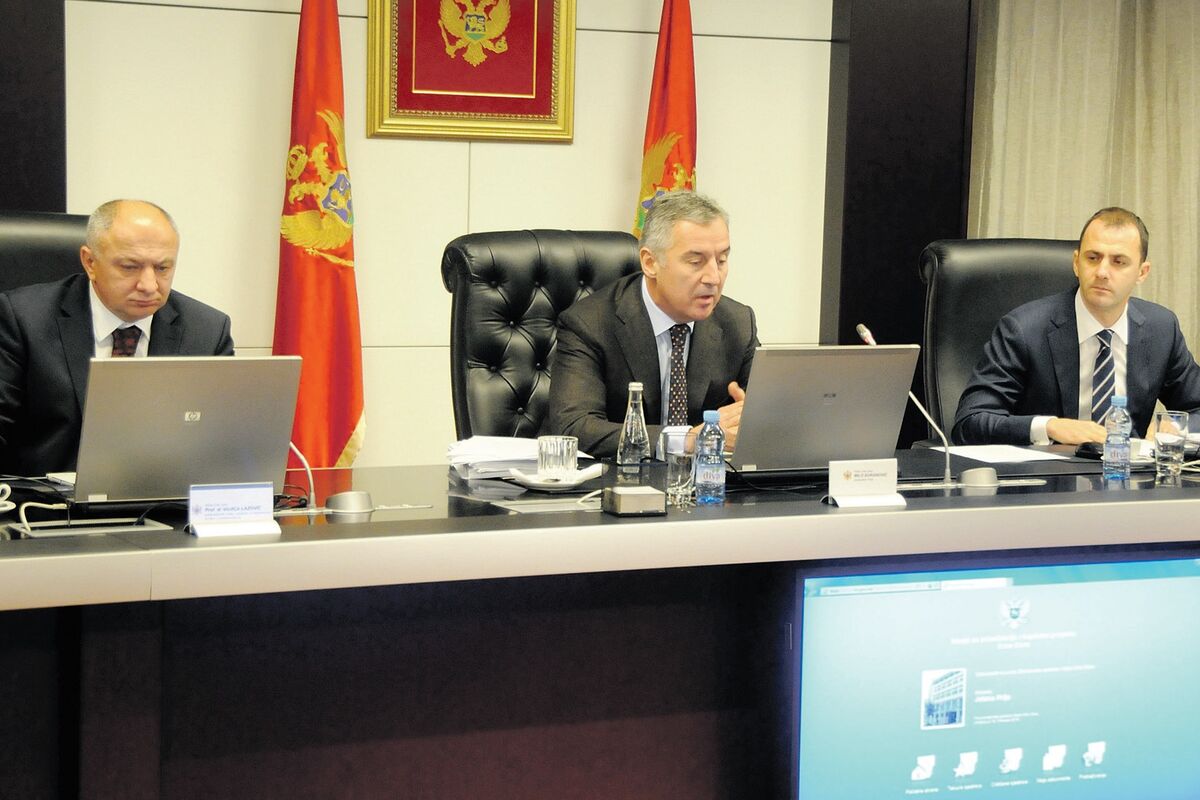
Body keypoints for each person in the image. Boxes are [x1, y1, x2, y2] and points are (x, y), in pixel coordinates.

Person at [0, 199, 234, 476]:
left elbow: (225, 442)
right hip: (43, 500)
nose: (149, 285)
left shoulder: (207, 332)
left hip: (162, 498)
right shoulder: (23, 319)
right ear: (90, 262)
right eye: (130, 267)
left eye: (162, 268)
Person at [953, 207, 1200, 446]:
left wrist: (1175, 426)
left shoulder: (1161, 329)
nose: (1102, 272)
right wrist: (1049, 427)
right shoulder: (1024, 330)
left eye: (1118, 262)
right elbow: (970, 422)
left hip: (1127, 470)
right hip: (1049, 471)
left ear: (1142, 272)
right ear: (1076, 263)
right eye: (1093, 258)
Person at [548, 191, 758, 458]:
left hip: (706, 482)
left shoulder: (738, 323)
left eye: (722, 260)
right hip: (616, 479)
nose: (714, 277)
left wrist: (756, 421)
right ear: (650, 263)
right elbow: (575, 428)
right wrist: (686, 440)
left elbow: (769, 416)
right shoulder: (590, 324)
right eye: (696, 262)